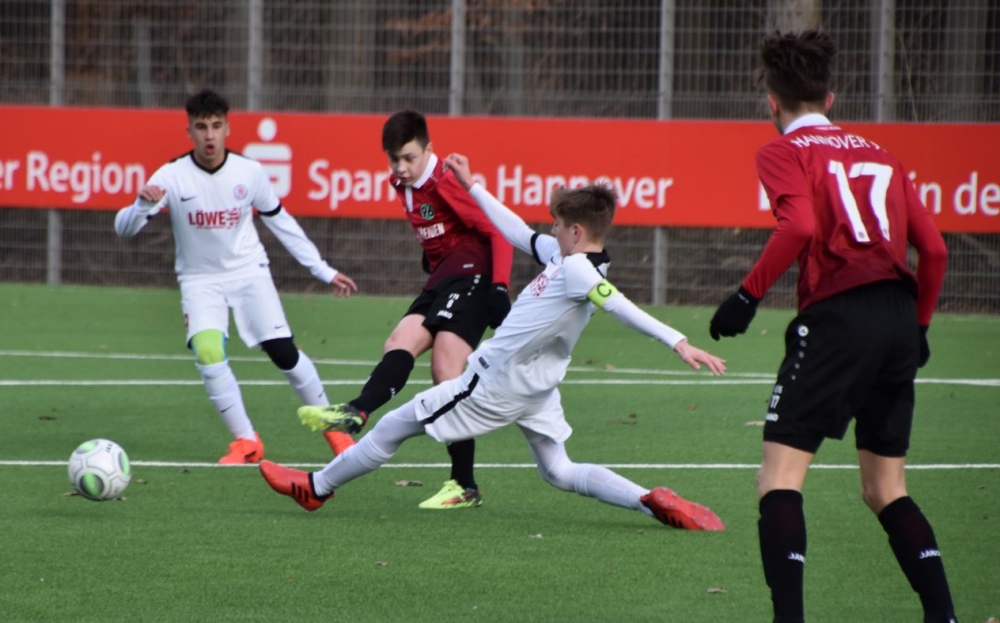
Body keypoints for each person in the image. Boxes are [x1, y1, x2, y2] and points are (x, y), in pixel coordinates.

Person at [264, 153, 728, 533]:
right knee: (559, 471)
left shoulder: (580, 271)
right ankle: (647, 500)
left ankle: (316, 488)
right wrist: (473, 187)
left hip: (494, 385)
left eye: (557, 225)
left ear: (576, 232)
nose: (550, 231)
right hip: (535, 388)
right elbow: (517, 232)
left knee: (393, 426)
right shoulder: (569, 258)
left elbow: (620, 305)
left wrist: (677, 341)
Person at [712, 30, 964, 623]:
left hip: (838, 319)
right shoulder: (882, 155)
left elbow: (798, 225)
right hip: (897, 317)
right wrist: (919, 327)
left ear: (772, 102)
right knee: (885, 487)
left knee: (778, 476)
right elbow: (935, 251)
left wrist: (746, 295)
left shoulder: (783, 150)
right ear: (831, 97)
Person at [114, 88, 358, 464]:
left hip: (248, 273)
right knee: (208, 351)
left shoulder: (249, 172)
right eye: (201, 127)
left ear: (228, 128)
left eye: (216, 126)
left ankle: (335, 431)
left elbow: (282, 223)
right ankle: (246, 441)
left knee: (284, 354)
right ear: (189, 131)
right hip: (199, 280)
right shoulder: (171, 176)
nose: (209, 135)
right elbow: (124, 228)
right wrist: (141, 205)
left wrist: (323, 270)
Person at [297, 110, 514, 510]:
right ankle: (357, 410)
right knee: (399, 341)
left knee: (445, 370)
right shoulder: (401, 183)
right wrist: (433, 257)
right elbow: (440, 231)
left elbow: (495, 230)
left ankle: (464, 484)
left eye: (410, 158)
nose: (401, 167)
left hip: (475, 277)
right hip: (443, 279)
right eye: (394, 159)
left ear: (429, 150)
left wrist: (499, 287)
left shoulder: (445, 180)